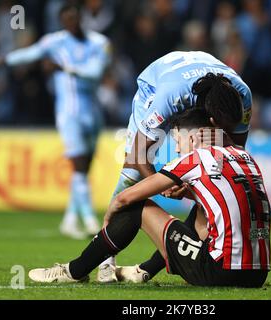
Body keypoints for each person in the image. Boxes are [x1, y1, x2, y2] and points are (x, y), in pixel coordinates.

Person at [28, 108, 271, 287]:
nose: (177, 149)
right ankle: (143, 271)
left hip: (221, 271)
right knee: (200, 210)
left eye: (178, 141)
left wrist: (111, 212)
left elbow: (127, 197)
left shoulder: (195, 159)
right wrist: (191, 194)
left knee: (136, 206)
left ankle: (74, 270)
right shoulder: (244, 157)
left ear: (194, 138)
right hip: (257, 274)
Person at [98, 51, 253, 282]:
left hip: (194, 90)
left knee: (213, 178)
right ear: (211, 123)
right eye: (222, 132)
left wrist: (195, 188)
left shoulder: (243, 97)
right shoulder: (170, 96)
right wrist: (164, 184)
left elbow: (232, 157)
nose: (224, 138)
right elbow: (139, 154)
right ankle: (104, 258)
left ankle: (148, 268)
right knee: (131, 175)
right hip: (158, 89)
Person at [0, 4, 111, 239]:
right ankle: (91, 221)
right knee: (79, 166)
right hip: (68, 114)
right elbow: (29, 53)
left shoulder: (100, 42)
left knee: (84, 170)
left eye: (75, 17)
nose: (72, 23)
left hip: (93, 113)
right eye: (67, 19)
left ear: (80, 18)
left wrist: (63, 67)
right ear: (62, 21)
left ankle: (70, 220)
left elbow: (95, 72)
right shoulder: (54, 42)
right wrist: (1, 60)